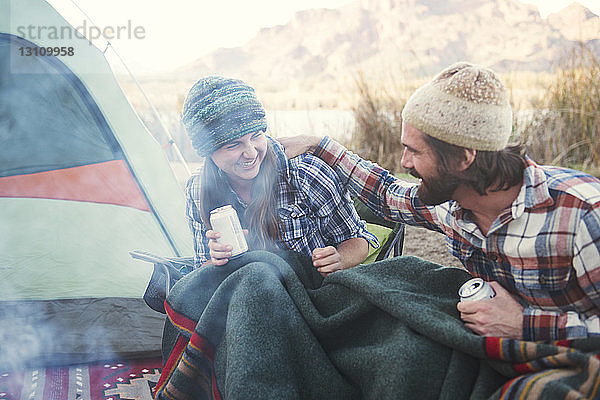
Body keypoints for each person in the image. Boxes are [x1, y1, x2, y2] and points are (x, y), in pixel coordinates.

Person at [280, 61, 600, 342]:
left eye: (415, 151)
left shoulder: (581, 211)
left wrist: (524, 324)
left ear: (463, 157)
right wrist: (319, 144)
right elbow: (388, 193)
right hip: (502, 348)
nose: (404, 162)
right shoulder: (450, 205)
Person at [181, 76, 378, 276]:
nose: (251, 153)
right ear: (208, 151)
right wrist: (217, 262)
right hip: (249, 298)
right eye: (234, 144)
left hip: (313, 295)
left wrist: (339, 259)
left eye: (256, 135)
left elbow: (359, 239)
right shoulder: (197, 190)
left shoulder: (306, 173)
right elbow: (200, 271)